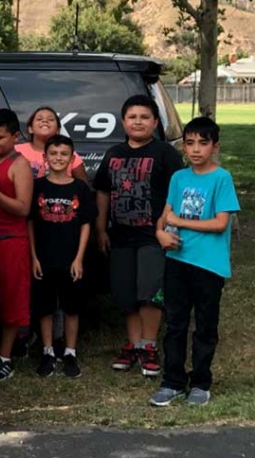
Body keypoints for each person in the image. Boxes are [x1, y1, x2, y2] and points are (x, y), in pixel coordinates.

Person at [150, 117, 239, 407]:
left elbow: (219, 223)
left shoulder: (221, 178)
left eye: (203, 143)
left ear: (215, 146)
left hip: (208, 266)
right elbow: (167, 212)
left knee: (204, 326)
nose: (196, 149)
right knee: (175, 324)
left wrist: (179, 222)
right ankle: (172, 381)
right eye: (190, 143)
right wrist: (161, 231)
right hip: (177, 259)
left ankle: (200, 381)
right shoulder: (179, 178)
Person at [93, 95, 183, 377]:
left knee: (150, 292)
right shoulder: (114, 154)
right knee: (125, 293)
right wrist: (100, 229)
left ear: (155, 122)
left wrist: (168, 227)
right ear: (123, 122)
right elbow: (103, 192)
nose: (138, 122)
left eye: (145, 117)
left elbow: (176, 193)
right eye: (132, 117)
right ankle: (133, 343)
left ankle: (149, 346)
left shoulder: (165, 153)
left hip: (152, 237)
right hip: (120, 236)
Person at [28, 135, 97, 378]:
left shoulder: (80, 188)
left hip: (71, 259)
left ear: (71, 158)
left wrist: (79, 258)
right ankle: (47, 351)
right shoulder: (37, 187)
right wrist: (34, 257)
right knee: (45, 307)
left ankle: (69, 351)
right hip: (44, 258)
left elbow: (86, 224)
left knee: (72, 307)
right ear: (44, 158)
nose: (58, 158)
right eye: (53, 154)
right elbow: (29, 223)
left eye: (64, 154)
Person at [0, 108, 33, 382]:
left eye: (0, 137)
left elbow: (23, 208)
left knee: (11, 302)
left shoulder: (19, 165)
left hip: (11, 241)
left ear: (15, 136)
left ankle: (5, 358)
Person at [15, 107, 88, 181]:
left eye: (50, 119)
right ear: (30, 129)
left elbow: (83, 186)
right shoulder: (16, 150)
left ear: (58, 130)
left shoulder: (67, 153)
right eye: (39, 119)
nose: (45, 121)